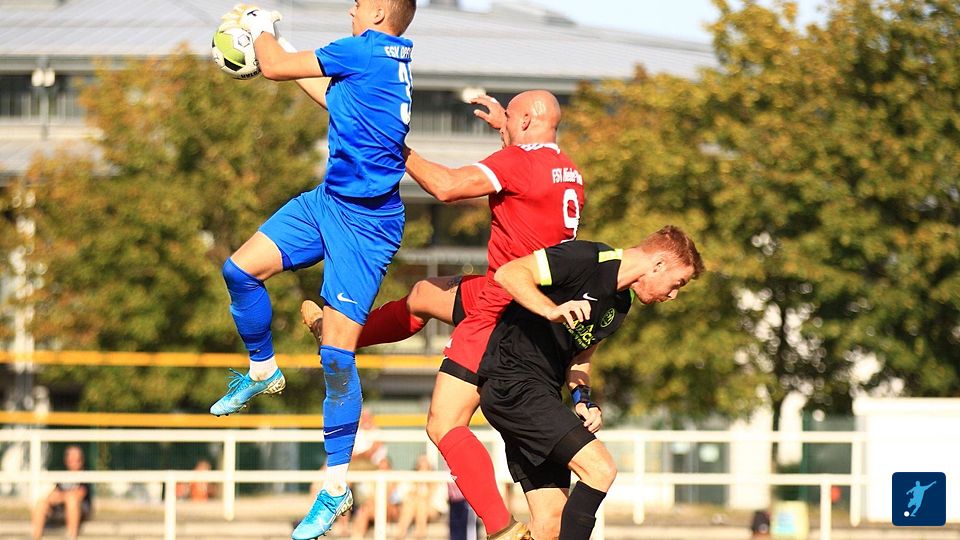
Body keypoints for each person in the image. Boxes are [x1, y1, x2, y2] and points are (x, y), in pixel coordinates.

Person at [303, 89, 585, 540]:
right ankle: (337, 334)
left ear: (526, 122)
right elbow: (524, 182)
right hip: (522, 295)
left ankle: (501, 529)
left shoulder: (519, 162)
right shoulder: (568, 169)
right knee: (424, 294)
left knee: (444, 423)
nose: (504, 123)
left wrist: (392, 145)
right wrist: (504, 126)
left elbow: (447, 187)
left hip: (501, 308)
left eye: (510, 117)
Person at [209, 2, 418, 538]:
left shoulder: (364, 49)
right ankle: (262, 371)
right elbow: (329, 93)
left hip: (367, 226)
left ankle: (335, 487)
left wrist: (260, 29)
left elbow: (276, 67)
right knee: (239, 270)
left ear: (378, 12)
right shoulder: (384, 57)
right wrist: (277, 50)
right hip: (328, 202)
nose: (350, 8)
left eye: (359, 3)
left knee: (336, 358)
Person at [478, 226, 705, 540]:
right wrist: (552, 310)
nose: (673, 295)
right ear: (658, 264)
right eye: (677, 283)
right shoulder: (586, 257)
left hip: (542, 394)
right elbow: (509, 274)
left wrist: (583, 398)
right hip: (513, 383)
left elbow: (581, 358)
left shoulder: (620, 304)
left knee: (552, 524)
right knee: (600, 469)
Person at [31, 445, 92, 540]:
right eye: (70, 459)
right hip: (60, 509)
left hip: (79, 510)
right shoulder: (62, 476)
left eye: (76, 459)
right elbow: (53, 495)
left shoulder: (85, 475)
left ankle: (72, 537)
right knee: (41, 503)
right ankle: (36, 537)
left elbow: (79, 494)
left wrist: (63, 496)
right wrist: (63, 497)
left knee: (72, 501)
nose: (73, 462)